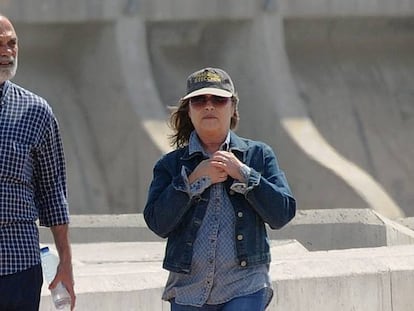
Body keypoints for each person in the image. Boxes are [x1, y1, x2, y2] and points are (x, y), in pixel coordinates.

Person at [144, 67, 296, 310]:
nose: (209, 106)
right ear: (189, 111)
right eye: (199, 100)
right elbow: (157, 223)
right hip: (187, 290)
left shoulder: (258, 155)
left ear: (233, 107)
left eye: (218, 99)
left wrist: (244, 174)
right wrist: (193, 181)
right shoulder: (171, 165)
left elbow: (282, 214)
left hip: (245, 285)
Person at [0, 14, 75, 310]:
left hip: (19, 266)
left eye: (12, 44)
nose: (7, 52)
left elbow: (53, 195)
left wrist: (66, 264)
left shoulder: (36, 111)